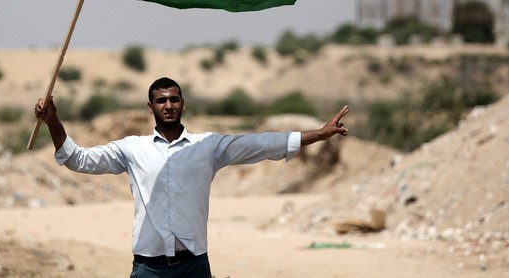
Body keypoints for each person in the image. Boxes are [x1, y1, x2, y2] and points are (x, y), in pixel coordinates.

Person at [34, 76, 349, 278]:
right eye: (161, 100)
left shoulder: (207, 146)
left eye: (174, 99)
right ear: (150, 107)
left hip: (194, 267)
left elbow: (263, 144)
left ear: (182, 103)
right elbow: (79, 159)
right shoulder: (132, 149)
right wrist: (53, 121)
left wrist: (320, 134)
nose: (168, 105)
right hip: (148, 268)